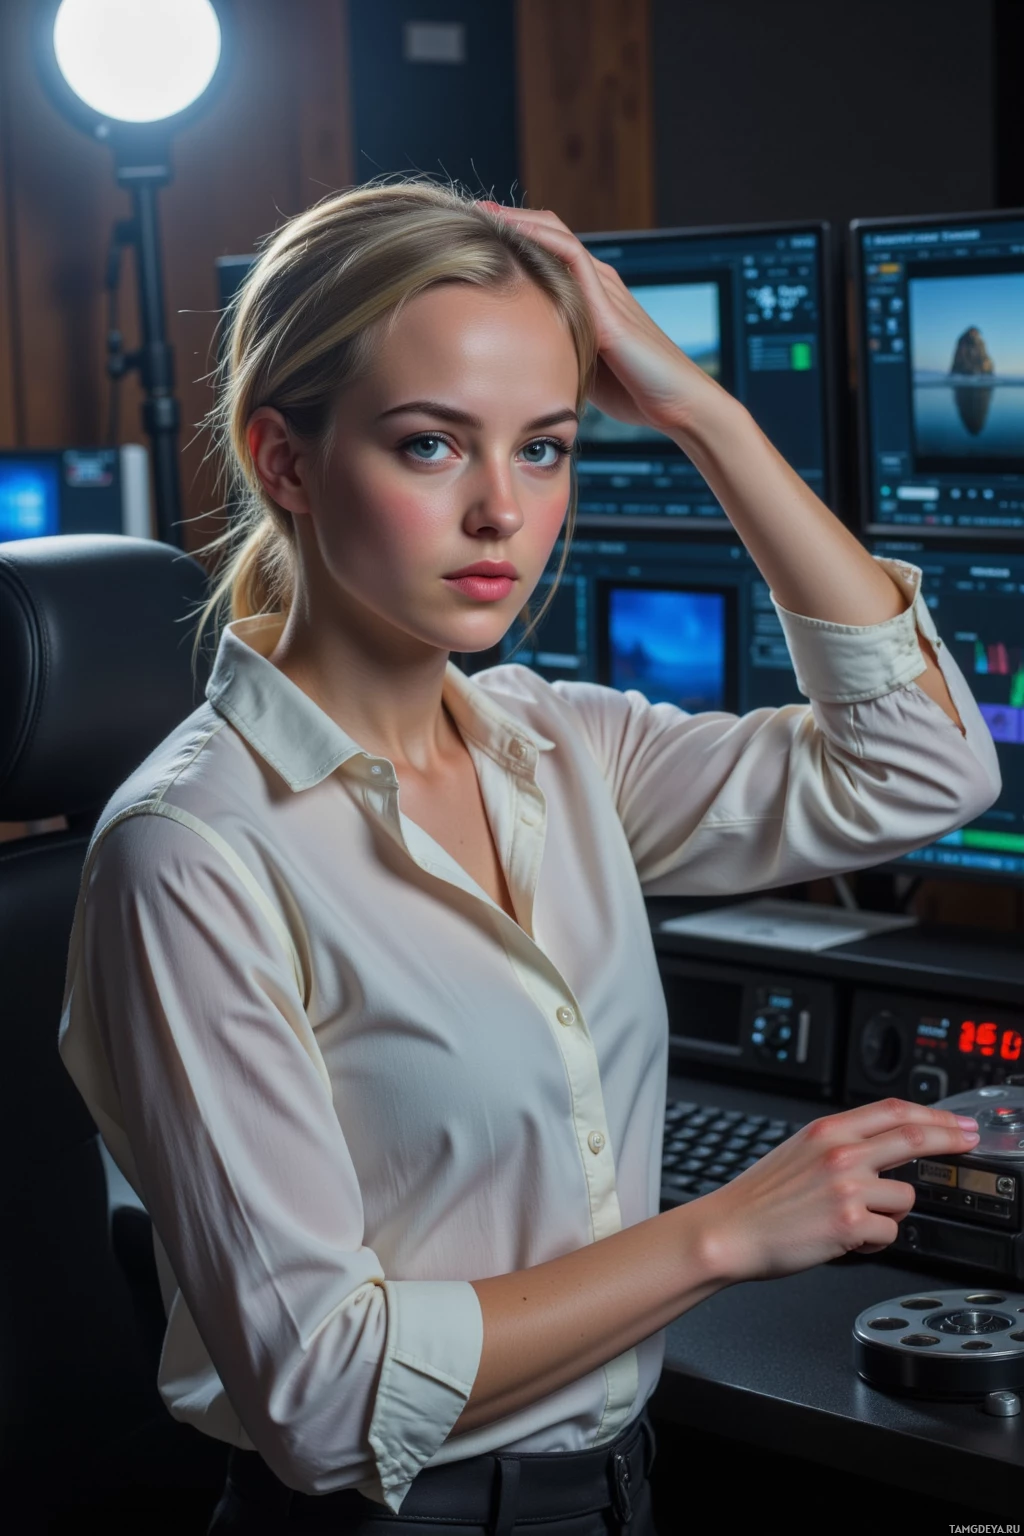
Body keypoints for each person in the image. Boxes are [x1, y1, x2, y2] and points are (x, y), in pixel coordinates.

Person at [58, 182, 1000, 1536]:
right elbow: (322, 1398)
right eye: (433, 445)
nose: (504, 512)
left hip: (612, 1494)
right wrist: (723, 1235)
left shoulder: (558, 745)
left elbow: (925, 770)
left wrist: (702, 414)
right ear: (285, 461)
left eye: (546, 447)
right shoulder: (192, 853)